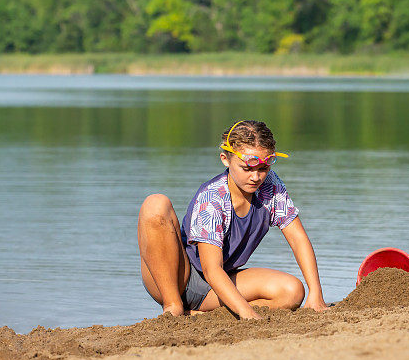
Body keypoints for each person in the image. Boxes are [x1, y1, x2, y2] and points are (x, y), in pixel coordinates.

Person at [138, 119, 328, 320]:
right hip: (179, 277)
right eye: (247, 168)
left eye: (263, 168)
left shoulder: (270, 186)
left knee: (292, 291)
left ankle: (198, 315)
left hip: (217, 286)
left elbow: (298, 239)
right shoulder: (213, 198)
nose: (256, 177)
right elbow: (211, 269)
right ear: (225, 159)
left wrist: (316, 293)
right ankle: (173, 306)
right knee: (155, 204)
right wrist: (246, 313)